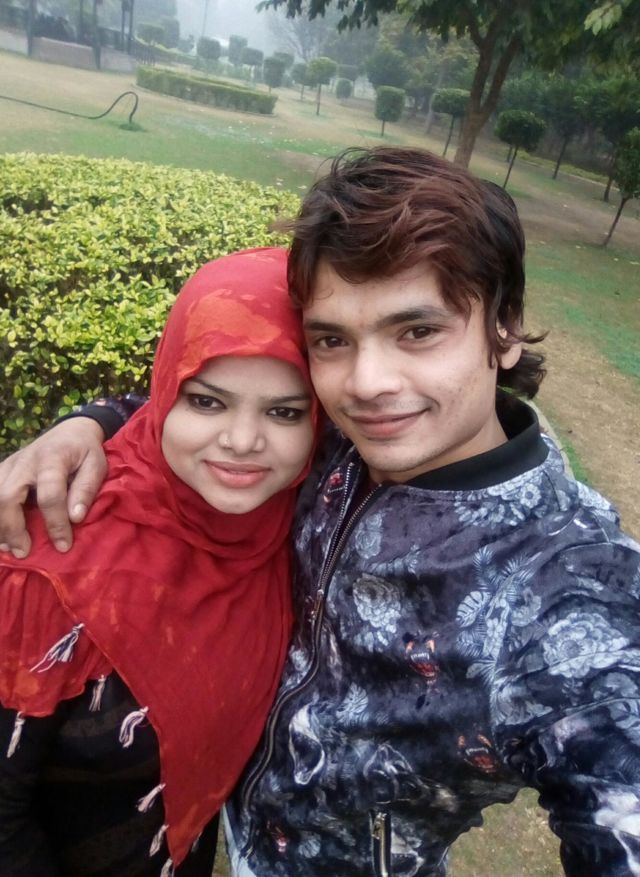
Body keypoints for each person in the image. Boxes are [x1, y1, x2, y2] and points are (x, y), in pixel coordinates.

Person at [2, 147, 640, 877]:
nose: (366, 383)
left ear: (505, 328)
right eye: (332, 340)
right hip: (216, 826)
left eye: (417, 331)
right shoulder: (327, 434)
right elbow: (196, 405)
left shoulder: (570, 596)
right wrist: (84, 426)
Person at [0, 247, 318, 876]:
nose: (242, 441)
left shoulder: (295, 517)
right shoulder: (47, 562)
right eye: (206, 402)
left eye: (285, 412)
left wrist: (88, 420)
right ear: (168, 390)